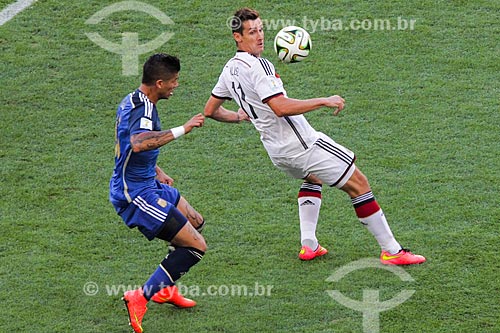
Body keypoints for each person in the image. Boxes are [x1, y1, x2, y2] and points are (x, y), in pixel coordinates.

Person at [203, 8, 425, 265]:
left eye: (261, 29)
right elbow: (280, 107)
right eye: (252, 32)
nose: (260, 37)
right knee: (359, 183)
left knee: (313, 177)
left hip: (277, 152)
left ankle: (309, 245)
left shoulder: (229, 69)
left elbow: (210, 110)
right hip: (302, 145)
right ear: (237, 37)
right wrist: (323, 100)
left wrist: (243, 116)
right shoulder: (259, 66)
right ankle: (392, 251)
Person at [109, 53, 207, 333]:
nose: (176, 86)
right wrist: (183, 129)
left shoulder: (132, 100)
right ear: (160, 82)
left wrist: (157, 171)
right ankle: (141, 296)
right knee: (196, 246)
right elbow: (139, 144)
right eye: (173, 81)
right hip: (136, 195)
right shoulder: (145, 110)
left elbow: (127, 145)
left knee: (195, 221)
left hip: (148, 183)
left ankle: (167, 288)